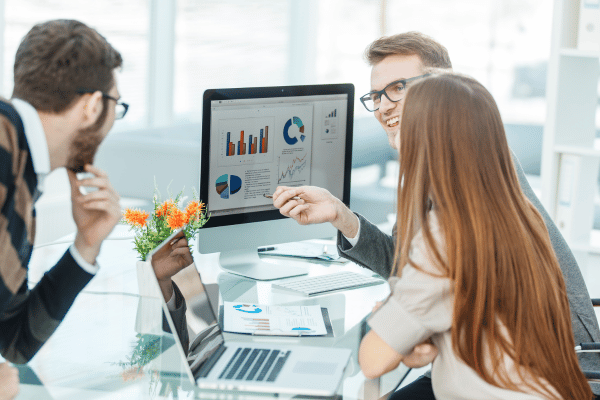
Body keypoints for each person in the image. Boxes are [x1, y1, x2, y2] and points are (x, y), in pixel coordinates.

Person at [272, 32, 600, 398]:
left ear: (441, 87)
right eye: (376, 96)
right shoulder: (448, 169)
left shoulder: (467, 185)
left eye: (398, 88)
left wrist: (399, 316)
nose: (383, 106)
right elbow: (417, 266)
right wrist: (341, 215)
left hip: (541, 363)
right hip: (491, 360)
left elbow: (430, 267)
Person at [358, 71, 593, 399]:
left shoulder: (446, 236)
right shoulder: (517, 212)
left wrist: (389, 322)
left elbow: (372, 361)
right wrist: (416, 343)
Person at [0, 20, 124, 397]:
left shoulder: (22, 172)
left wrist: (85, 245)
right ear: (92, 106)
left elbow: (15, 341)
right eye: (116, 107)